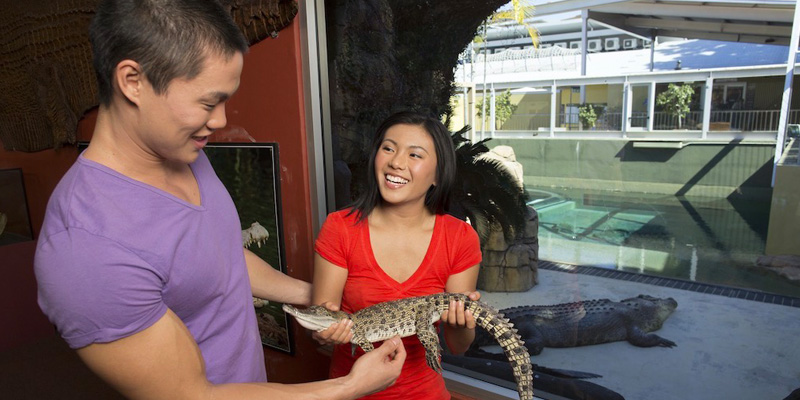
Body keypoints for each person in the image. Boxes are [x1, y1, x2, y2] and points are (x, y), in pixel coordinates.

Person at [33, 1, 405, 399]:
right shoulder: (86, 248)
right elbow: (192, 395)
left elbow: (218, 259)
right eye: (208, 103)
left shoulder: (181, 150)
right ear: (133, 81)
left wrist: (314, 297)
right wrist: (350, 386)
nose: (221, 120)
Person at [311, 112, 483, 399]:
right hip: (349, 392)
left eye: (414, 154)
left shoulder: (460, 238)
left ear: (438, 175)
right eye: (388, 148)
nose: (396, 162)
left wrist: (461, 323)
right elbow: (320, 330)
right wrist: (324, 333)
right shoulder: (340, 228)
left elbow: (458, 345)